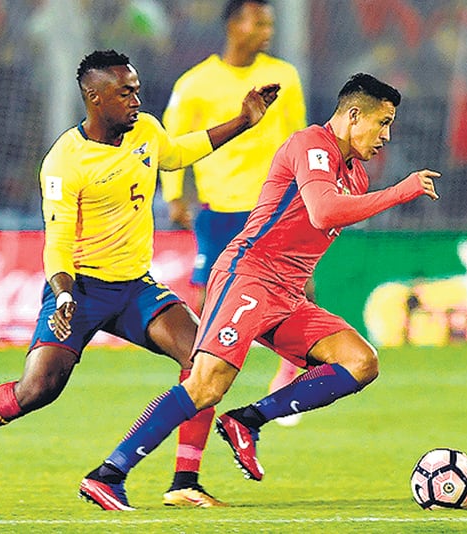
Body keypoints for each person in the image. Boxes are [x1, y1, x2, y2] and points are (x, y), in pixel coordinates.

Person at [0, 50, 279, 509]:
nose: (136, 99)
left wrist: (243, 120)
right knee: (37, 390)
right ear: (95, 98)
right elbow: (57, 242)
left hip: (135, 286)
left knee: (205, 359)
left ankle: (184, 480)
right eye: (125, 93)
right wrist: (62, 297)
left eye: (136, 89)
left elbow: (177, 153)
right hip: (79, 289)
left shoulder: (145, 130)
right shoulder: (65, 161)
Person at [78, 72, 440, 511]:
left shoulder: (356, 176)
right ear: (353, 115)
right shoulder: (311, 144)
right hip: (248, 275)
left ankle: (248, 420)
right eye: (382, 123)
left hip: (286, 296)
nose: (386, 135)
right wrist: (400, 193)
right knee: (206, 385)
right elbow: (324, 212)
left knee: (360, 361)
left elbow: (314, 230)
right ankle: (108, 475)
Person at [160, 0, 308, 428]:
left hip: (273, 204)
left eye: (270, 24)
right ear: (233, 25)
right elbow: (175, 141)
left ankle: (287, 372)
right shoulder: (195, 84)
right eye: (259, 22)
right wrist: (174, 196)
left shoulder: (285, 76)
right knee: (206, 304)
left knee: (300, 293)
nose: (267, 31)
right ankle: (199, 378)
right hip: (219, 209)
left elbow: (297, 137)